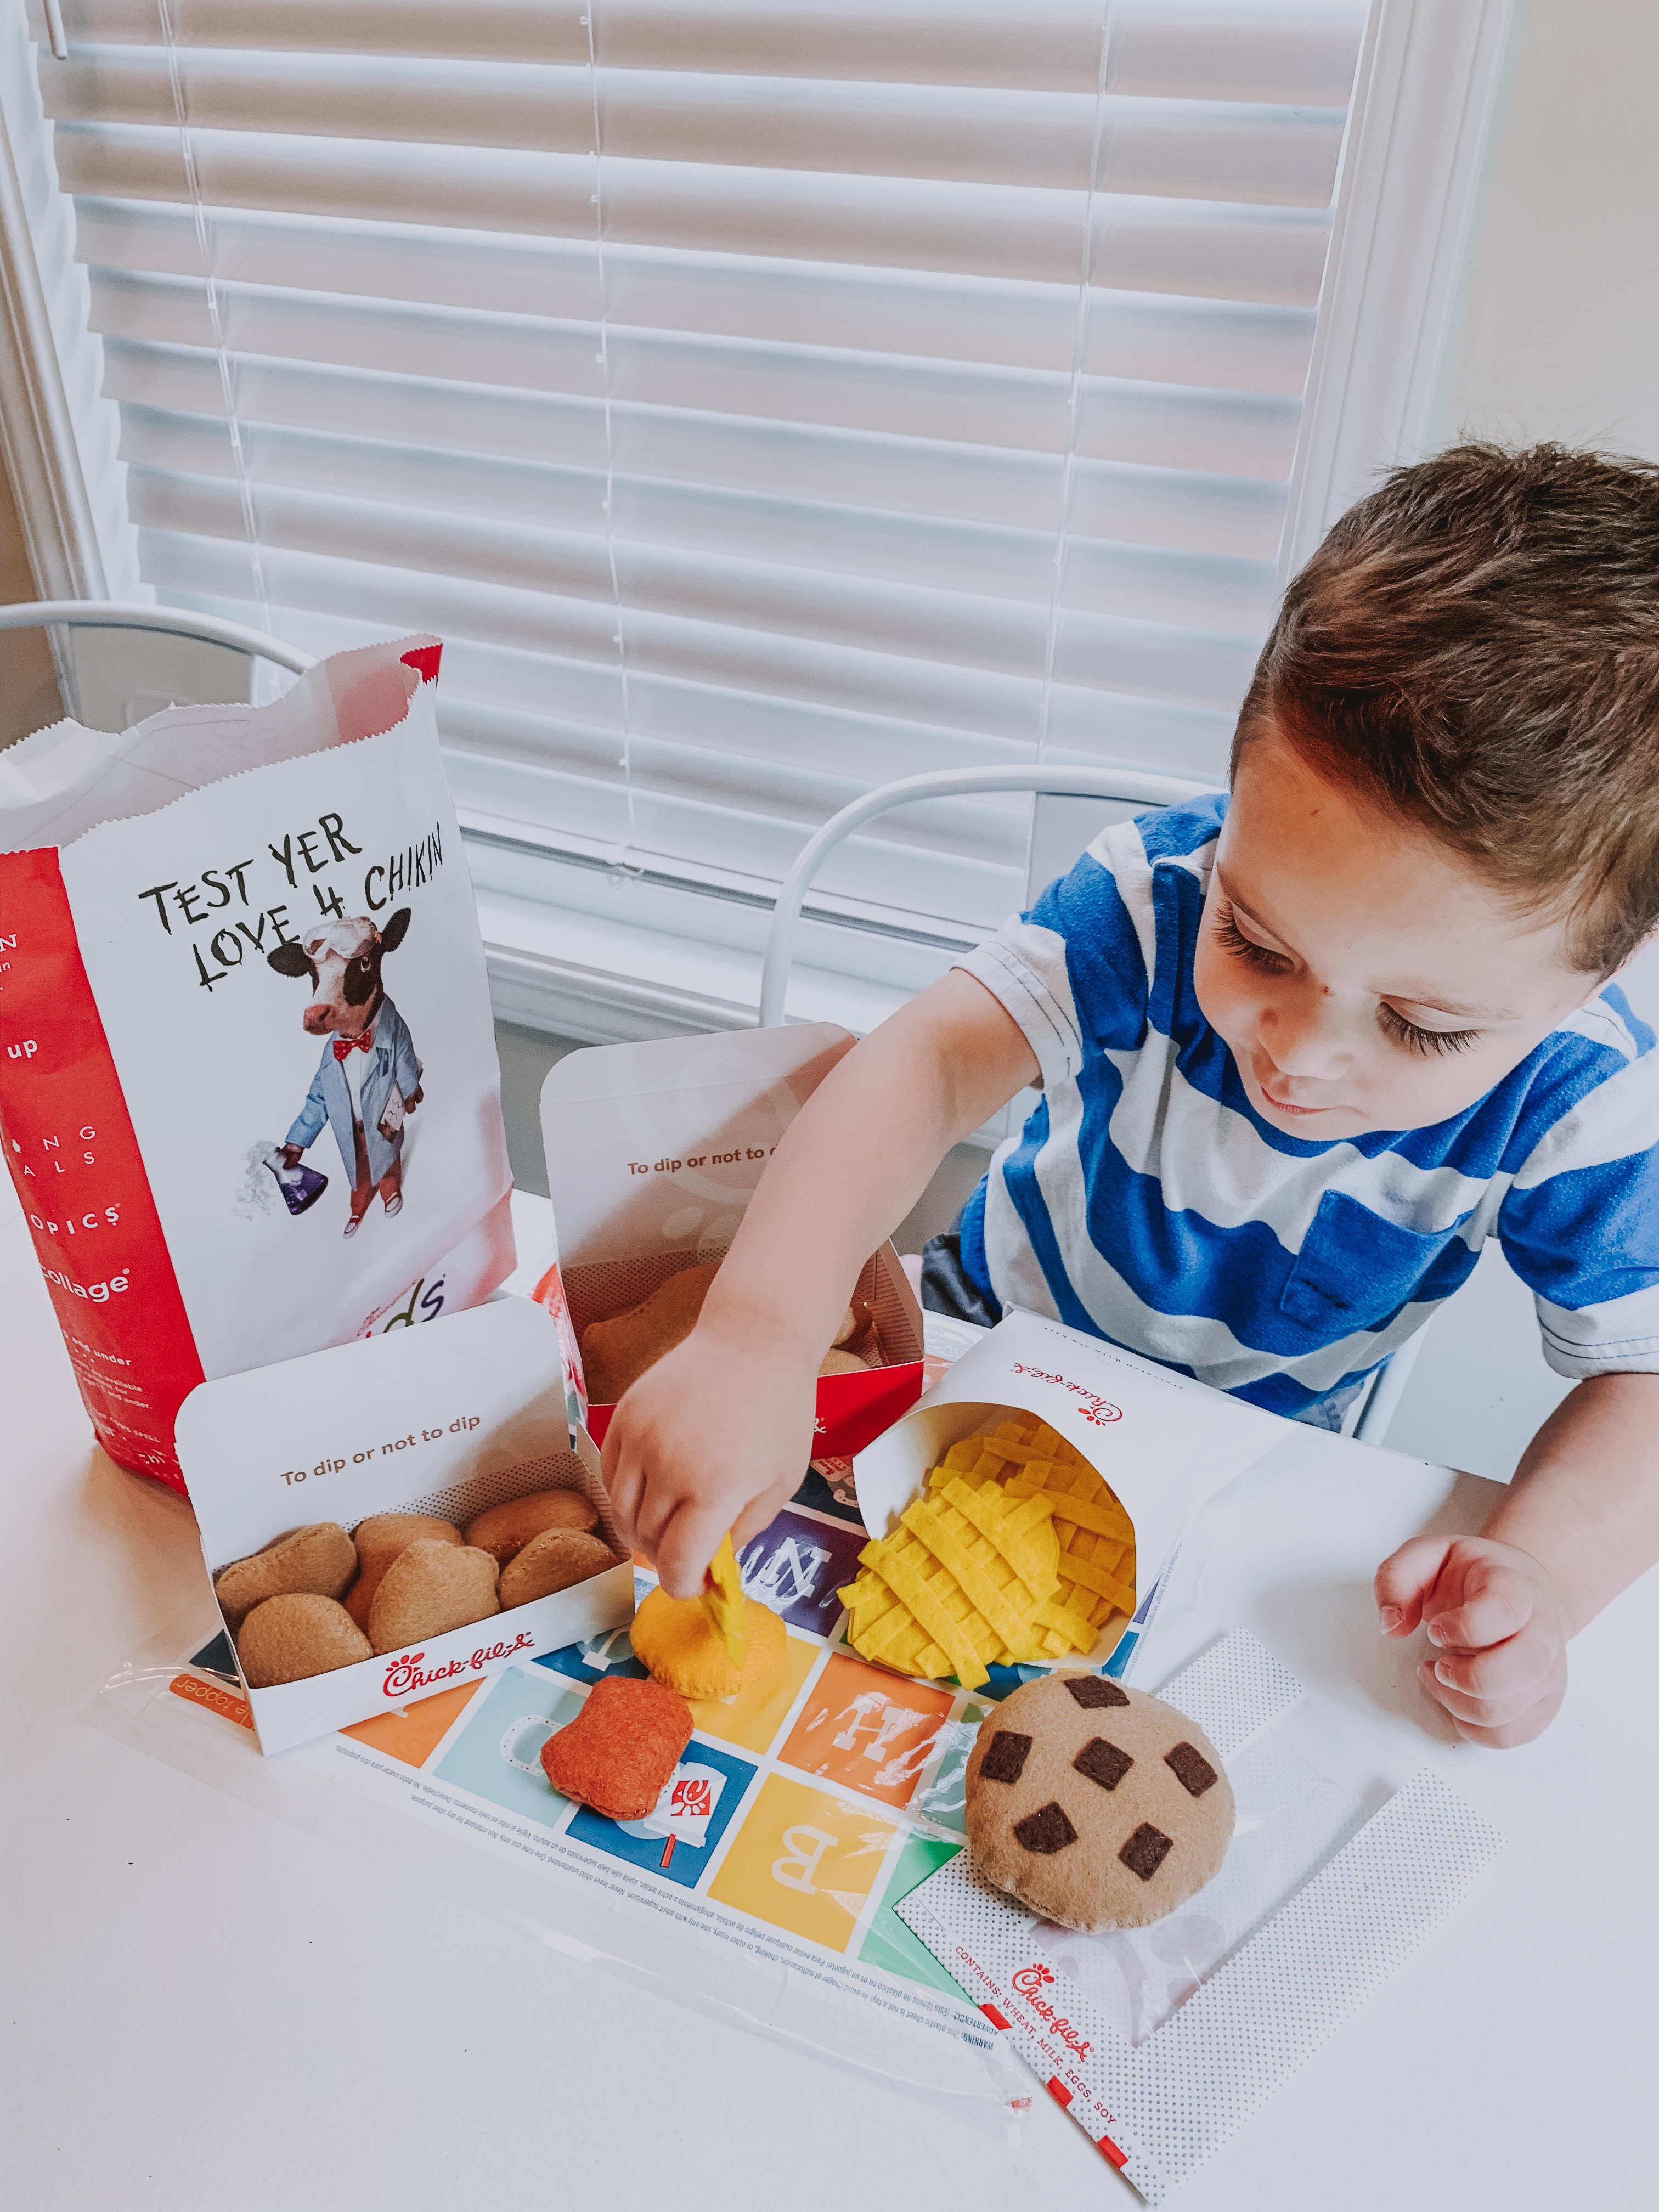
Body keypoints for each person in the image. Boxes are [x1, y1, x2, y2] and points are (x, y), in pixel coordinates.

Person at [602, 443, 1659, 1749]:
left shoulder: (1586, 1101)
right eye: (1260, 943)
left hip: (1237, 1460)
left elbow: (1643, 1377)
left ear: (1599, 973)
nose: (1301, 1054)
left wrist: (1546, 1571)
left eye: (1421, 1026)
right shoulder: (1151, 904)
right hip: (973, 1352)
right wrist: (758, 1336)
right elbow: (926, 1063)